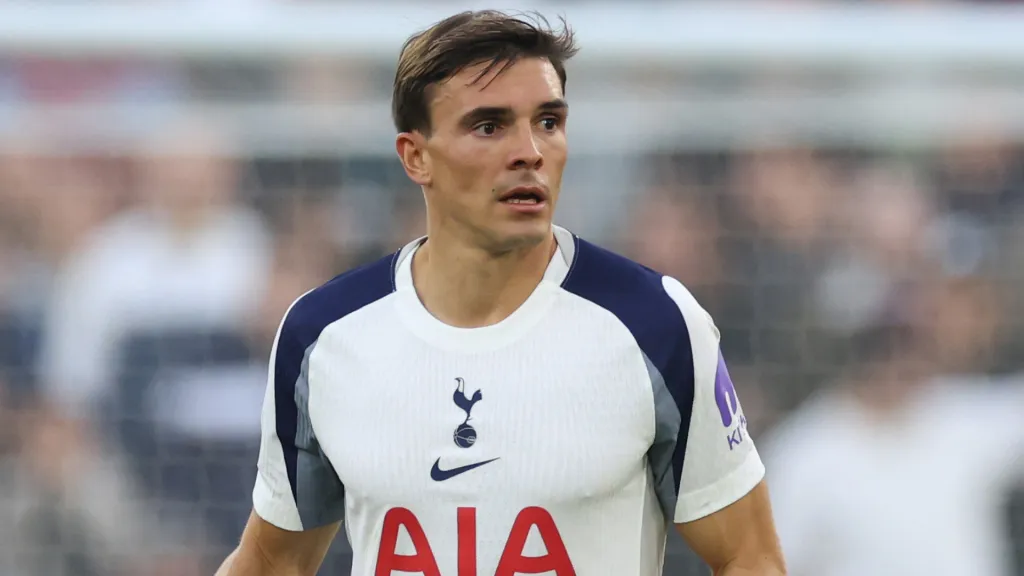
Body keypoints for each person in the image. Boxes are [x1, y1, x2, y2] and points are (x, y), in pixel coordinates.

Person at [217, 10, 785, 576]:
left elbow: (749, 556)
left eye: (548, 122)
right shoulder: (323, 336)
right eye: (489, 126)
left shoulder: (656, 323)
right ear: (415, 157)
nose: (529, 151)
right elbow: (271, 561)